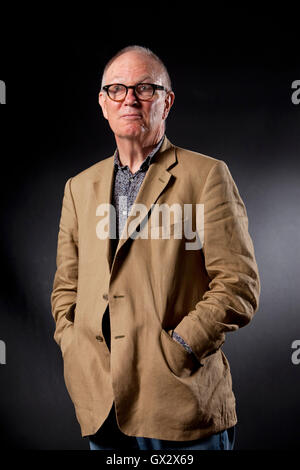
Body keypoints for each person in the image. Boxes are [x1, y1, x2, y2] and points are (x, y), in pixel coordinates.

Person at [51, 45, 260, 451]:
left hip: (180, 403)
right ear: (103, 103)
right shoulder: (79, 187)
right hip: (102, 406)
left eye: (145, 88)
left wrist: (182, 346)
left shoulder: (207, 175)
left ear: (167, 102)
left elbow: (239, 284)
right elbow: (66, 286)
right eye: (117, 89)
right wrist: (72, 342)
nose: (130, 98)